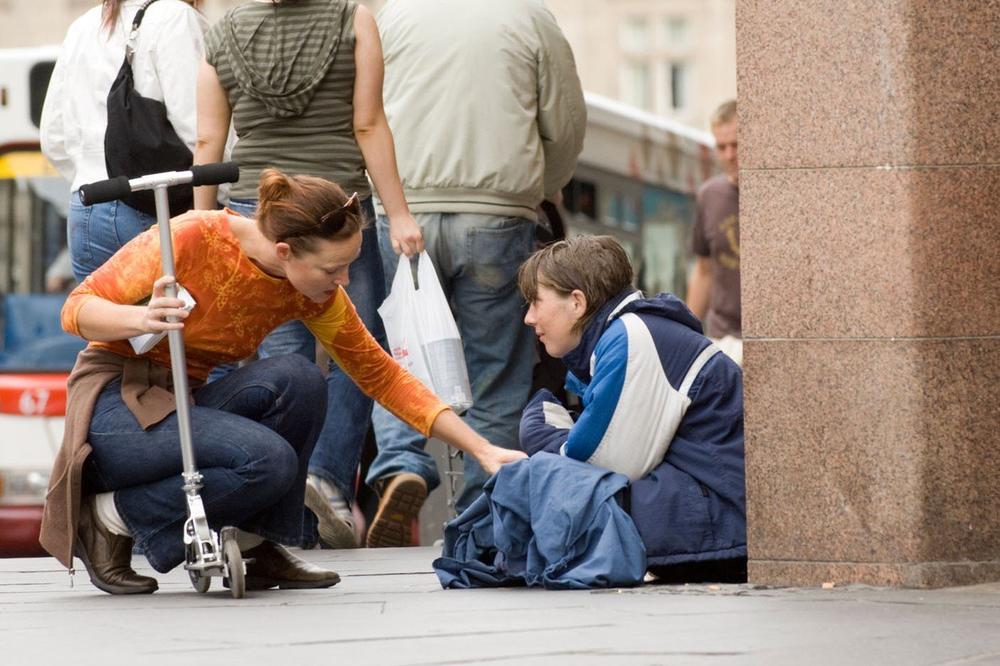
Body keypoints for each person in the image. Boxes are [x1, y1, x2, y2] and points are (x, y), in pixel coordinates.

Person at [38, 170, 525, 595]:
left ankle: (259, 545)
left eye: (350, 264)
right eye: (334, 268)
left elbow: (382, 376)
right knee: (267, 461)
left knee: (301, 378)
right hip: (114, 409)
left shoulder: (314, 293)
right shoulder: (191, 236)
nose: (345, 279)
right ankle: (109, 517)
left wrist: (483, 449)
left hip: (181, 405)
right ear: (285, 251)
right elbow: (75, 308)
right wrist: (139, 318)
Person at [192, 0, 424, 548]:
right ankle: (327, 482)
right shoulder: (354, 19)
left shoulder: (224, 33)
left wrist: (201, 223)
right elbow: (368, 123)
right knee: (355, 351)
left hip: (258, 211)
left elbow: (209, 142)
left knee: (281, 359)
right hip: (335, 210)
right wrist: (400, 213)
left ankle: (282, 496)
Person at [362, 0, 587, 547]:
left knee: (405, 349)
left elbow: (364, 110)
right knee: (496, 369)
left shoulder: (391, 15)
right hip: (496, 212)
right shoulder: (529, 16)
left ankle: (401, 463)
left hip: (404, 207)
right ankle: (478, 519)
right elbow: (565, 120)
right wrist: (539, 187)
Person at [517, 235, 747, 581]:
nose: (529, 318)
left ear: (577, 303)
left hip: (722, 520)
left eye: (536, 302)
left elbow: (598, 464)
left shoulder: (631, 336)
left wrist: (542, 437)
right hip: (715, 511)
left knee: (550, 494)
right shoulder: (631, 332)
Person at [40, 0, 205, 282]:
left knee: (106, 323)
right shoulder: (176, 17)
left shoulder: (83, 26)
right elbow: (199, 131)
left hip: (86, 208)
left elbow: (52, 138)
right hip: (155, 203)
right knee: (173, 323)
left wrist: (91, 173)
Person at [686, 99, 742, 366]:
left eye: (737, 145)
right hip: (724, 336)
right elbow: (704, 270)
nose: (729, 155)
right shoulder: (710, 196)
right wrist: (686, 334)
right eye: (722, 147)